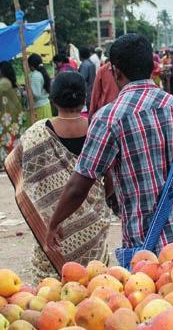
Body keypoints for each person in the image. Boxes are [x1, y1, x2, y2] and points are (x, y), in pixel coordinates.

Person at [45, 34, 173, 266]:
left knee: (150, 302)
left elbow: (79, 186)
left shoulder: (109, 118)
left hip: (146, 247)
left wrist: (54, 223)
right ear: (152, 66)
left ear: (115, 71)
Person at [6, 72, 112, 280]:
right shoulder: (97, 130)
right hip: (93, 224)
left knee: (51, 295)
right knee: (93, 286)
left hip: (53, 228)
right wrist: (95, 204)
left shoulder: (37, 133)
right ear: (84, 99)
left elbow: (19, 169)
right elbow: (111, 180)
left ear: (53, 99)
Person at [0, 61, 24, 165]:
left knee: (7, 138)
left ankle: (8, 161)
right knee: (15, 137)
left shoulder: (4, 82)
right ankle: (15, 160)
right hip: (15, 116)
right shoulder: (13, 82)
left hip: (7, 117)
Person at [27, 53, 52, 120]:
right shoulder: (42, 72)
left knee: (40, 129)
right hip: (46, 105)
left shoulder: (35, 75)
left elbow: (36, 94)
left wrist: (25, 92)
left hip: (39, 107)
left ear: (31, 65)